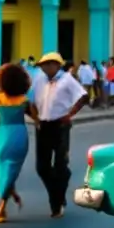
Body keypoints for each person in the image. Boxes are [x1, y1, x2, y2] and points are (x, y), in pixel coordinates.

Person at [0, 63, 38, 224]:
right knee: (12, 169)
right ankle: (4, 205)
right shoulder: (24, 100)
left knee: (4, 170)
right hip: (19, 136)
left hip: (0, 136)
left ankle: (7, 201)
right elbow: (38, 120)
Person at [31, 52, 89, 218]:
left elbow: (83, 96)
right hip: (43, 125)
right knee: (42, 167)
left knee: (60, 165)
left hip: (60, 125)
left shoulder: (67, 79)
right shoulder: (38, 80)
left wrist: (70, 114)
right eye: (43, 65)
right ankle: (57, 193)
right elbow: (31, 101)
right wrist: (35, 118)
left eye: (50, 64)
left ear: (57, 65)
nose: (46, 67)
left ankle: (56, 203)